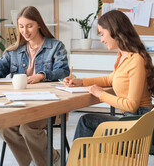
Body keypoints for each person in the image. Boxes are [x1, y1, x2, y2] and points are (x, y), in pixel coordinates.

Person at [0, 6, 70, 166]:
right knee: (4, 128)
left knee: (27, 128)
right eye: (21, 26)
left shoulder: (56, 46)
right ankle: (45, 159)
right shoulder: (14, 50)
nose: (25, 30)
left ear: (39, 24)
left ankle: (48, 161)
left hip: (50, 106)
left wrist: (42, 75)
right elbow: (1, 66)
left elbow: (63, 70)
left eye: (29, 25)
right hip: (21, 104)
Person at [64, 10, 154, 140]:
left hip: (138, 124)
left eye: (102, 34)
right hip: (132, 120)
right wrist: (81, 82)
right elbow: (109, 79)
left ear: (114, 31)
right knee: (88, 123)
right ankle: (84, 160)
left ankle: (78, 160)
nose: (101, 39)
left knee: (86, 122)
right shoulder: (123, 57)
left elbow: (131, 105)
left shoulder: (136, 60)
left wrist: (100, 94)